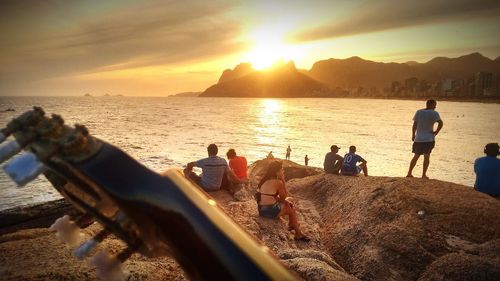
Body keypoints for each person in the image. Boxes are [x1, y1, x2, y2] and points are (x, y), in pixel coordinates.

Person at [256, 161, 310, 241]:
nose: (283, 171)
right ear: (277, 171)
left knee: (290, 200)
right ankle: (298, 233)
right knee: (291, 209)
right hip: (270, 211)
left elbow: (270, 196)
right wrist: (282, 180)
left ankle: (291, 224)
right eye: (282, 169)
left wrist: (286, 201)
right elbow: (283, 197)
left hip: (261, 209)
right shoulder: (278, 182)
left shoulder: (264, 180)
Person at [406, 99, 443, 179]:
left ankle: (409, 173)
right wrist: (436, 132)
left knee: (416, 156)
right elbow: (440, 123)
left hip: (418, 138)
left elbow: (415, 125)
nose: (435, 107)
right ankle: (423, 175)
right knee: (427, 156)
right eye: (434, 105)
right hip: (429, 139)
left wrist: (413, 135)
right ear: (431, 105)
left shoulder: (419, 112)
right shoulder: (434, 113)